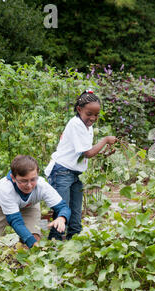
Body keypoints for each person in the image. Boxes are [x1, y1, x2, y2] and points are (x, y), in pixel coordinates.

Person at [44, 89, 117, 240]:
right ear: (79, 109)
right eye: (89, 114)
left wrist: (105, 152)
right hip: (61, 172)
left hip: (74, 174)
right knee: (61, 211)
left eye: (96, 115)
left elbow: (87, 151)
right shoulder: (76, 124)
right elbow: (88, 153)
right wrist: (104, 141)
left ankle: (74, 243)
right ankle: (53, 245)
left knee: (76, 212)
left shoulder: (87, 127)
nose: (93, 118)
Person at [0, 155, 71, 254]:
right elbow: (16, 221)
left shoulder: (42, 186)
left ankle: (31, 265)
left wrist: (62, 217)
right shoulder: (5, 189)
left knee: (35, 236)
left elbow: (63, 207)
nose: (29, 185)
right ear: (13, 178)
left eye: (33, 179)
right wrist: (32, 243)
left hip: (29, 206)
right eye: (24, 181)